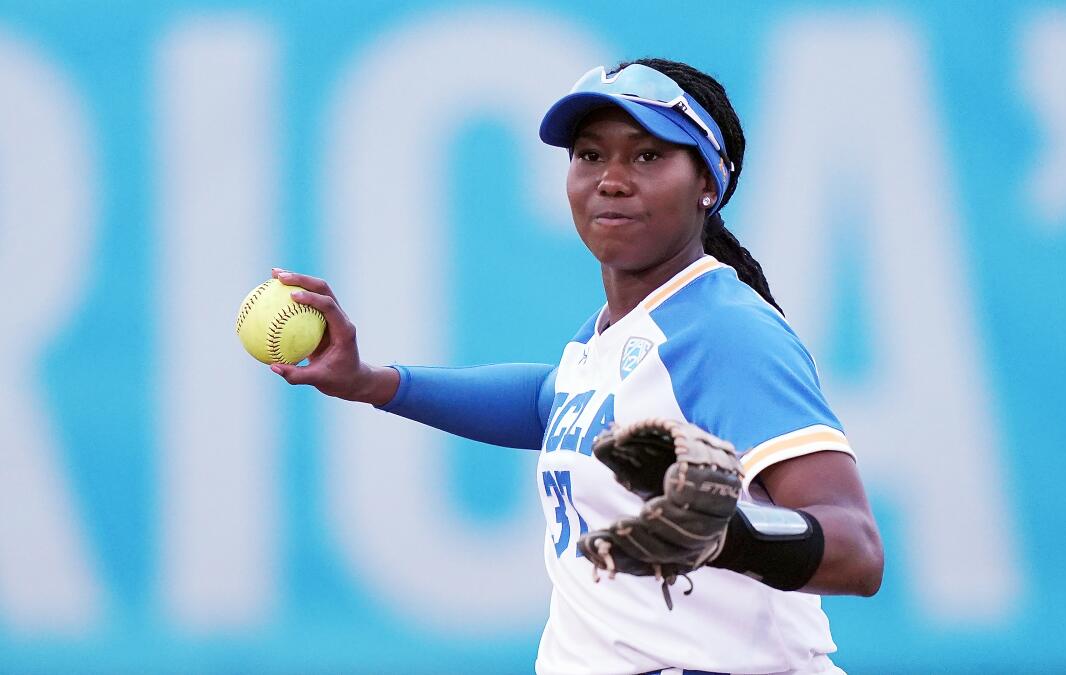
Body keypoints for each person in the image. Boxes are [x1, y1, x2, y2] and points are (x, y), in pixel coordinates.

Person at [269, 58, 883, 675]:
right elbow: (550, 399)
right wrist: (373, 382)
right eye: (590, 155)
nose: (611, 179)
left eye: (647, 156)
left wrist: (732, 533)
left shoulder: (726, 331)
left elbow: (857, 550)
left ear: (707, 183)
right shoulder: (625, 329)